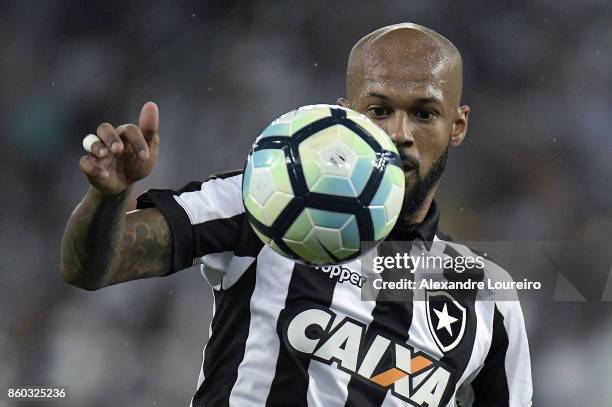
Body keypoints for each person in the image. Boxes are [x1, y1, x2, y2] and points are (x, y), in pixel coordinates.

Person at [61, 23, 532, 406]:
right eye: (380, 110)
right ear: (349, 114)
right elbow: (89, 268)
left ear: (458, 126)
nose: (400, 133)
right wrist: (107, 199)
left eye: (425, 114)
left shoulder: (486, 295)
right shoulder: (268, 204)